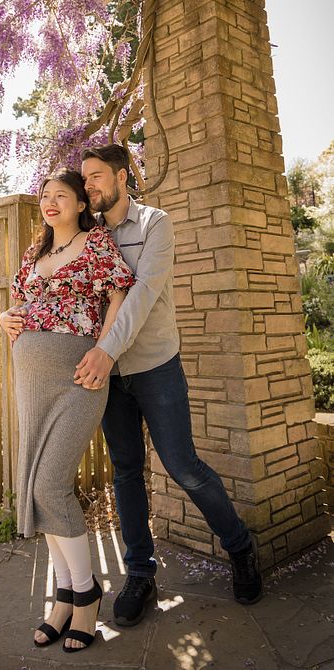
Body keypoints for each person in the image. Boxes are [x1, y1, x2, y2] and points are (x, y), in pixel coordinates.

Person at [72, 143, 263, 627]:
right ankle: (140, 574)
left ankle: (240, 546)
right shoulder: (87, 233)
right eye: (84, 178)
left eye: (96, 176)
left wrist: (106, 350)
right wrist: (13, 315)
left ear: (121, 176)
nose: (88, 185)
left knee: (183, 466)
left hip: (155, 364)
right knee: (126, 472)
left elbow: (142, 294)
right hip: (109, 376)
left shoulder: (155, 223)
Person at [0, 168, 134, 652]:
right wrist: (3, 316)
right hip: (31, 380)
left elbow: (119, 298)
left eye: (61, 195)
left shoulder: (96, 244)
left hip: (79, 375)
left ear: (80, 203)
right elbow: (16, 302)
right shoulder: (34, 253)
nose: (50, 202)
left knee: (50, 485)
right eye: (45, 195)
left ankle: (86, 593)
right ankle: (64, 597)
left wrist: (104, 351)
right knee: (36, 488)